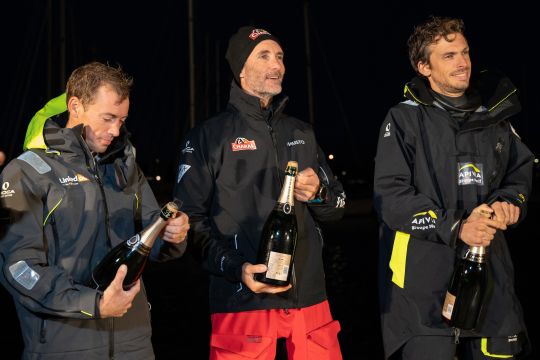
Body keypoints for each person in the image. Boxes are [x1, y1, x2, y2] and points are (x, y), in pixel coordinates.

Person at [173, 26, 346, 359]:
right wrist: (235, 268)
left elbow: (337, 206)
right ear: (241, 69)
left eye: (280, 56)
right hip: (242, 303)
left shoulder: (301, 132)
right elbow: (190, 221)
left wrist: (319, 194)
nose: (276, 65)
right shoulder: (208, 137)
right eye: (264, 56)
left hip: (309, 302)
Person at [0, 61, 190, 359]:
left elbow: (152, 238)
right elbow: (18, 268)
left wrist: (172, 235)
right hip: (65, 347)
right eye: (108, 118)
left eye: (122, 120)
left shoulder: (126, 168)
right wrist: (93, 303)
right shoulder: (25, 172)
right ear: (75, 106)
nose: (116, 130)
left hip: (135, 344)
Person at [373, 16, 534, 360]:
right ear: (423, 67)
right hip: (422, 291)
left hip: (493, 286)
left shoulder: (496, 115)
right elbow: (390, 197)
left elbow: (520, 174)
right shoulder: (402, 119)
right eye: (448, 56)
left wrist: (509, 203)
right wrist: (457, 226)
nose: (463, 63)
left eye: (464, 52)